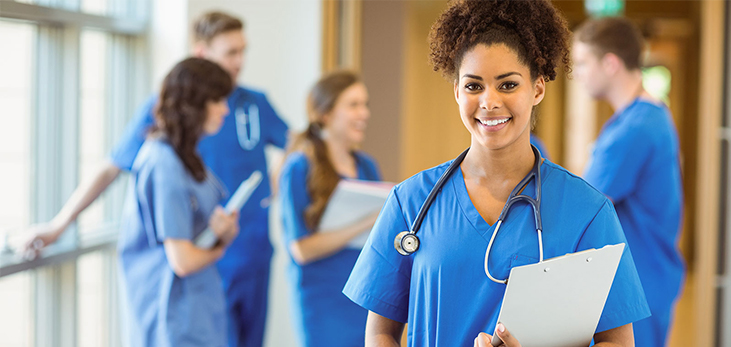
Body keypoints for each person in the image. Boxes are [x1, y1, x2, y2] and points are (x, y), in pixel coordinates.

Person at [342, 0, 651, 346]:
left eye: (507, 85)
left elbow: (619, 341)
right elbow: (380, 332)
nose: (489, 102)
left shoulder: (587, 212)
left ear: (537, 89)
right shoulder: (410, 201)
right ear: (457, 91)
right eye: (474, 86)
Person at [25, 11, 288, 347]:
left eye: (243, 51)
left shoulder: (249, 106)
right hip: (190, 275)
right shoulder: (164, 142)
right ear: (202, 53)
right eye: (230, 53)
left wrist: (270, 188)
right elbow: (112, 167)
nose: (240, 62)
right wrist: (60, 224)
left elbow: (295, 144)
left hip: (244, 255)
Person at [573, 16, 685, 347]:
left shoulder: (634, 129)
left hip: (640, 283)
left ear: (610, 64)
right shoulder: (650, 114)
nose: (576, 73)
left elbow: (583, 203)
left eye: (581, 63)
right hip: (652, 276)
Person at [118, 57, 239, 347]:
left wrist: (223, 232)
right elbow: (183, 261)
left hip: (195, 307)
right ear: (194, 104)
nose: (225, 109)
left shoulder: (186, 156)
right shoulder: (163, 164)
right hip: (170, 311)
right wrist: (221, 248)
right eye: (217, 100)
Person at [278, 71, 381, 346]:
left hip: (363, 293)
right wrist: (366, 222)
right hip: (322, 299)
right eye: (354, 105)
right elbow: (301, 249)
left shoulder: (367, 166)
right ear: (325, 114)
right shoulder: (299, 168)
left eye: (365, 104)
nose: (364, 113)